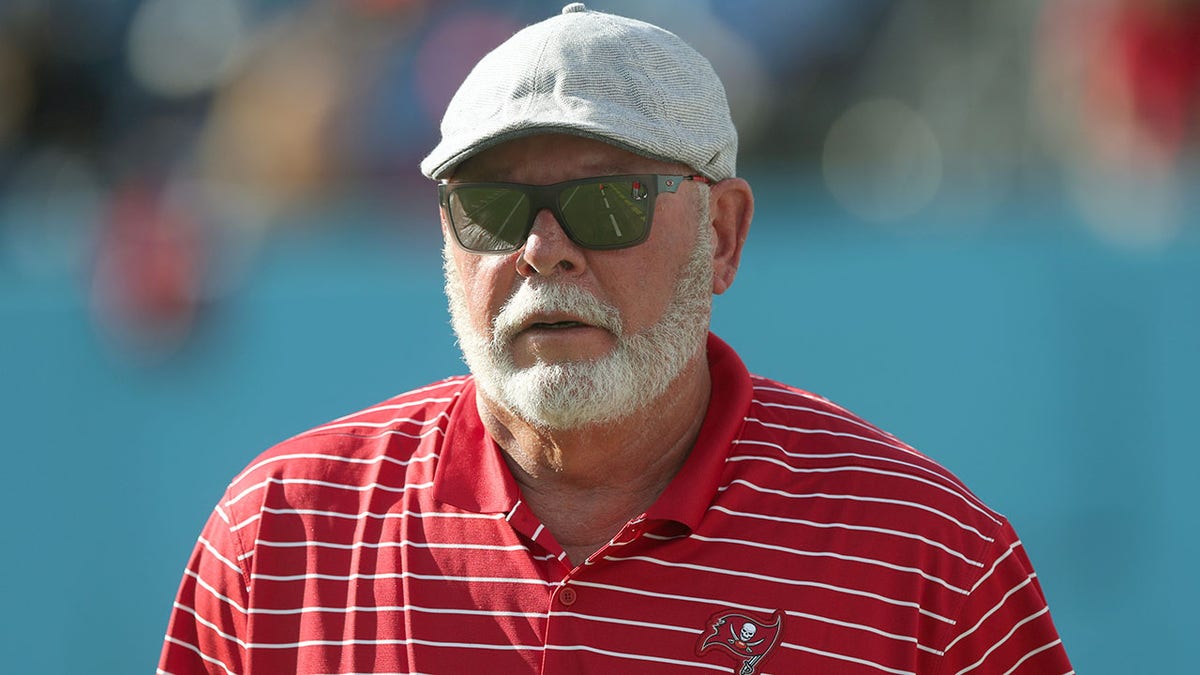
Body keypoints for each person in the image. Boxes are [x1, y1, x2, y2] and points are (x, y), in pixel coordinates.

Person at [159, 4, 1075, 674]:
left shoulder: (923, 554)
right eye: (490, 207)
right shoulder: (281, 536)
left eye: (607, 201)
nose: (541, 251)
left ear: (722, 234)